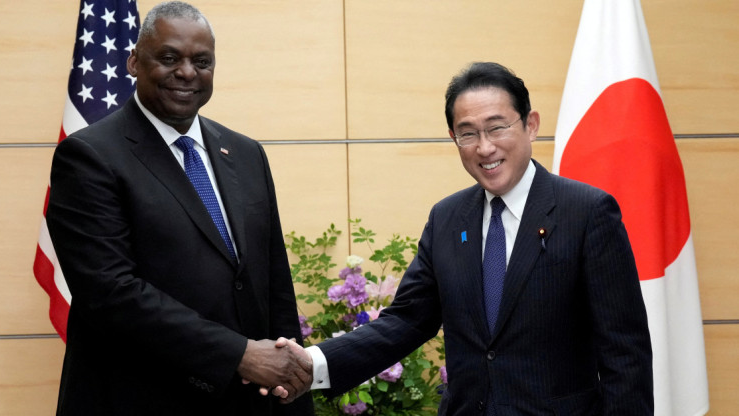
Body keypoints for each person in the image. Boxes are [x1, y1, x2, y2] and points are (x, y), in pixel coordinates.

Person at [277, 62, 654, 415]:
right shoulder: (447, 218)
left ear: (531, 125)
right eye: (468, 133)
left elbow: (625, 355)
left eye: (497, 127)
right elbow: (406, 321)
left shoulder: (587, 213)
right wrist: (312, 363)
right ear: (454, 137)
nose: (484, 147)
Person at [46, 2, 313, 415]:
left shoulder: (244, 153)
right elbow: (111, 294)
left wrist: (291, 378)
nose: (187, 72)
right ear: (134, 61)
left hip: (250, 401)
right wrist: (238, 354)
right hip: (142, 397)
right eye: (168, 58)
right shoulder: (88, 157)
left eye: (201, 61)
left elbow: (273, 278)